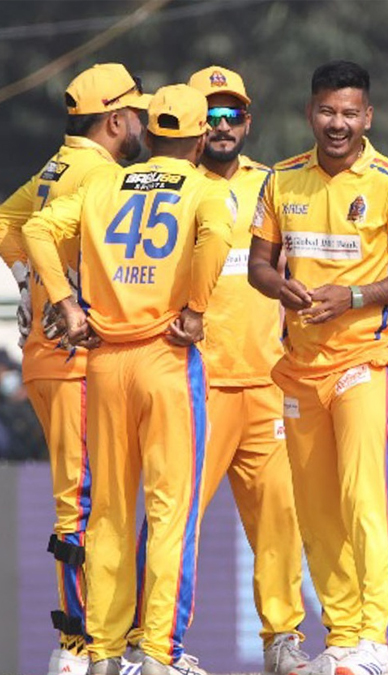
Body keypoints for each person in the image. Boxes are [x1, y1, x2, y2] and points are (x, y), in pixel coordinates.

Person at [23, 84, 234, 675]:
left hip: (104, 361)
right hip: (166, 359)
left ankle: (103, 651)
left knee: (109, 515)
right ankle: (158, 653)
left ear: (153, 132)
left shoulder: (103, 183)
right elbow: (218, 237)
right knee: (170, 513)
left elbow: (36, 230)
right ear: (198, 137)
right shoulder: (204, 189)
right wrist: (196, 308)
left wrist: (66, 304)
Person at [248, 60, 388, 675]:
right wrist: (280, 287)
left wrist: (352, 297)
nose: (338, 124)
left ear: (368, 117)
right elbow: (258, 265)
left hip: (367, 359)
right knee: (317, 508)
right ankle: (344, 633)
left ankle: (375, 639)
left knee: (362, 497)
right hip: (301, 365)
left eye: (350, 113)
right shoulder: (281, 179)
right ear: (311, 112)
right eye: (327, 111)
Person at [0, 62, 147, 675]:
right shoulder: (103, 174)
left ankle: (94, 643)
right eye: (137, 113)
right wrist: (60, 299)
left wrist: (29, 284)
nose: (143, 125)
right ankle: (82, 647)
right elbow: (26, 229)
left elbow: (6, 222)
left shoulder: (56, 166)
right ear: (114, 119)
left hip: (47, 360)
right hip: (75, 362)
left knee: (88, 500)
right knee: (86, 504)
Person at [186, 65, 309, 675]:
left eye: (232, 114)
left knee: (281, 522)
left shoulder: (272, 184)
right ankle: (152, 642)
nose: (222, 125)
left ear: (249, 122)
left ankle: (282, 641)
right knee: (176, 521)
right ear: (191, 121)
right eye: (210, 114)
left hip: (267, 382)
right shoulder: (175, 186)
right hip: (196, 383)